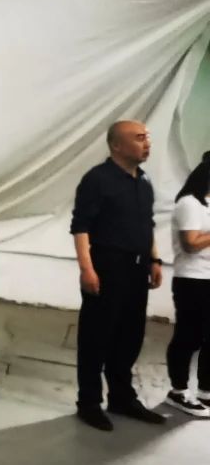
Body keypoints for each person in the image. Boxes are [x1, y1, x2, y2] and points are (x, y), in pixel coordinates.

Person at [70, 120, 166, 431]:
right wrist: (87, 269)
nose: (146, 143)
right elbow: (81, 227)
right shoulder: (97, 180)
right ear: (117, 145)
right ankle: (89, 402)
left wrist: (154, 259)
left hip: (137, 269)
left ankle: (122, 397)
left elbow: (147, 224)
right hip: (107, 267)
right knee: (96, 336)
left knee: (129, 336)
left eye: (147, 138)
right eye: (139, 138)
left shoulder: (144, 181)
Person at [163, 151, 210, 416]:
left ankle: (206, 391)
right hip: (192, 280)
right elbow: (190, 244)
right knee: (189, 337)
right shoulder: (189, 204)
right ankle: (178, 391)